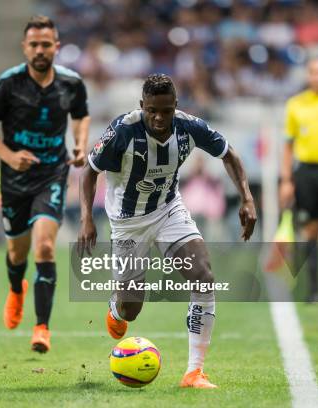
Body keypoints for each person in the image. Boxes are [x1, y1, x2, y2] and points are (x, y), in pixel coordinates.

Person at [78, 74, 256, 388]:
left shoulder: (189, 127)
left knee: (203, 276)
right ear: (141, 107)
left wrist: (247, 197)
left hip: (169, 210)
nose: (159, 118)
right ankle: (115, 307)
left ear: (175, 106)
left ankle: (194, 372)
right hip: (127, 223)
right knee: (131, 309)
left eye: (166, 111)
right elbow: (90, 172)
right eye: (151, 111)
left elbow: (229, 154)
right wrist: (86, 219)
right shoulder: (123, 130)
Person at [0, 15, 90, 353]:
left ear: (56, 47)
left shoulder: (72, 83)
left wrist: (80, 144)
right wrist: (9, 157)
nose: (40, 50)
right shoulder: (7, 84)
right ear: (25, 47)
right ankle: (16, 289)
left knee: (44, 247)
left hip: (52, 172)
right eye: (34, 45)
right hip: (14, 179)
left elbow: (80, 115)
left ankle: (42, 327)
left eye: (46, 44)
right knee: (17, 252)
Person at [280, 56, 318, 303]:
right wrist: (286, 180)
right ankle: (314, 290)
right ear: (307, 75)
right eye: (314, 72)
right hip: (306, 173)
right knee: (310, 230)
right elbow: (288, 146)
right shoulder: (296, 105)